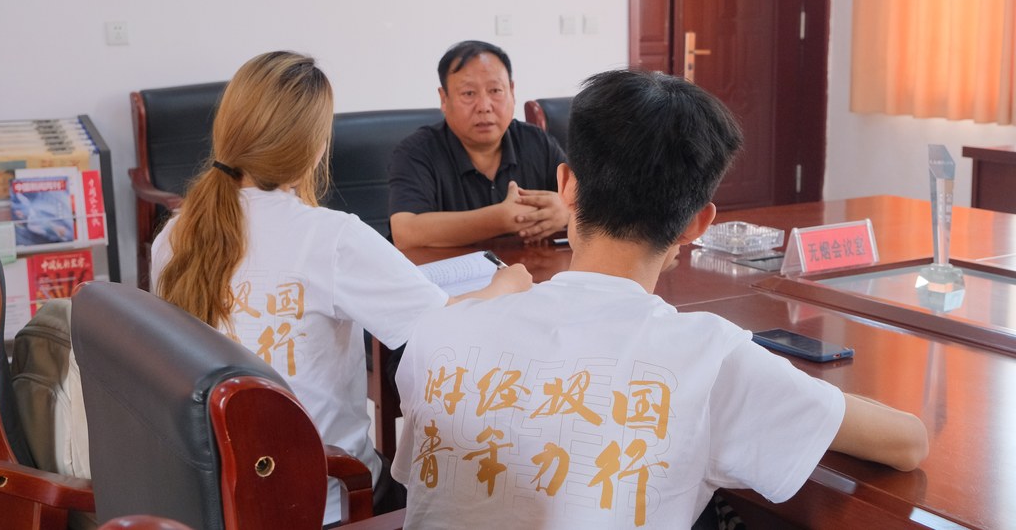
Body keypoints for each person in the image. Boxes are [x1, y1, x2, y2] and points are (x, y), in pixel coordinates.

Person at [391, 70, 929, 529]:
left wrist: (491, 296)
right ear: (698, 223)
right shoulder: (709, 357)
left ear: (567, 186)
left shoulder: (442, 331)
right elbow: (907, 443)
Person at [151, 51, 531, 528]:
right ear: (315, 147)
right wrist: (505, 284)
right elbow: (442, 325)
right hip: (325, 498)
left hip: (212, 497)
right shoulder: (329, 238)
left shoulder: (175, 235)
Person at [389, 40, 568, 248]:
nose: (484, 106)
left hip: (533, 268)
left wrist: (567, 211)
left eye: (495, 90)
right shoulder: (416, 152)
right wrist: (499, 219)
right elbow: (405, 232)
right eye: (469, 93)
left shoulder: (537, 142)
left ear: (512, 91)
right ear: (444, 99)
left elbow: (587, 203)